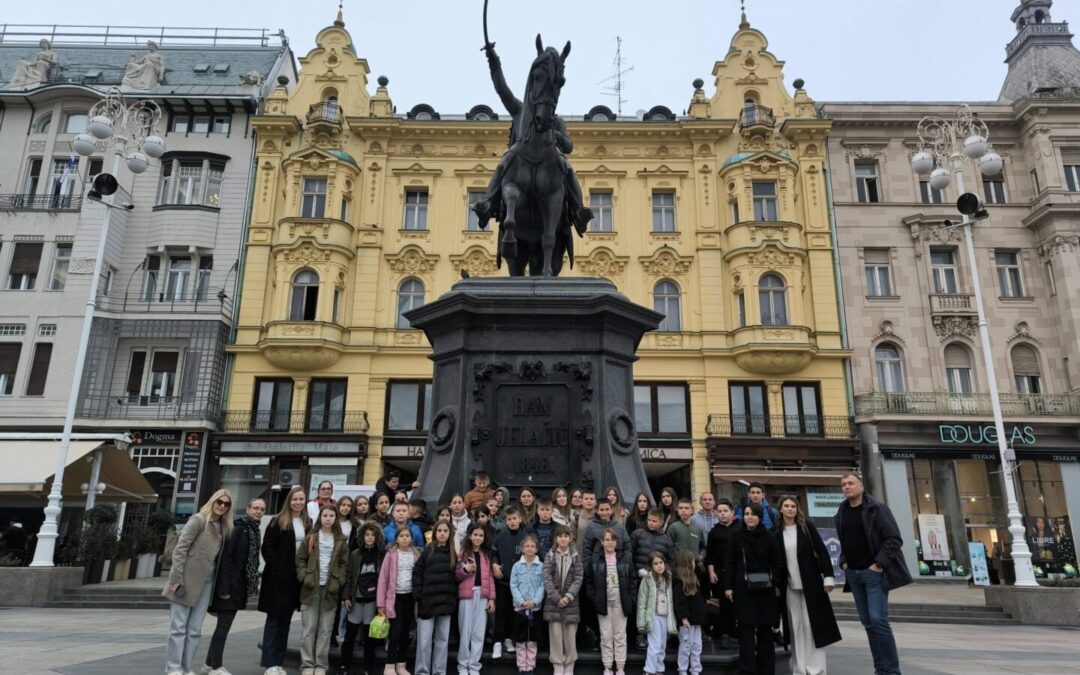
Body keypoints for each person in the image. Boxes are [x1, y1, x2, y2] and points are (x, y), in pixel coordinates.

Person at [835, 473, 910, 675]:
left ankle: (891, 671)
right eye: (843, 485)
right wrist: (844, 563)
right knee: (868, 623)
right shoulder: (842, 512)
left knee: (878, 620)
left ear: (861, 487)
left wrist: (879, 564)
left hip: (873, 574)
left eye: (851, 483)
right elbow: (845, 541)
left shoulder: (877, 509)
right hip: (854, 574)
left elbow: (894, 539)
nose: (847, 487)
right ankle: (881, 670)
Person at [163, 489, 233, 675]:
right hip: (186, 579)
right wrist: (176, 579)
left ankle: (187, 669)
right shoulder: (199, 519)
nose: (222, 506)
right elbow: (180, 549)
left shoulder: (225, 526)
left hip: (207, 582)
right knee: (178, 628)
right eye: (219, 502)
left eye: (226, 504)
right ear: (212, 501)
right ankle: (173, 669)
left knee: (194, 630)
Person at [777, 496, 841, 675]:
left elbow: (822, 551)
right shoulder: (776, 532)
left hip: (811, 585)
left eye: (793, 506)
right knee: (795, 627)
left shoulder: (807, 527)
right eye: (786, 506)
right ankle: (799, 668)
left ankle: (816, 669)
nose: (790, 508)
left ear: (797, 509)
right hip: (789, 587)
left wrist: (828, 577)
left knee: (811, 626)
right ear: (780, 509)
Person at [204, 497, 264, 675]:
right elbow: (226, 559)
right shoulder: (238, 527)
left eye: (262, 509)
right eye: (255, 508)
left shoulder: (253, 530)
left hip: (239, 586)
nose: (258, 511)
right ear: (248, 509)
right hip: (229, 586)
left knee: (223, 626)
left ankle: (208, 665)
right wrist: (224, 589)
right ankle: (216, 667)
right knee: (223, 627)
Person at [725, 502, 783, 675]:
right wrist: (728, 587)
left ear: (760, 517)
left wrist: (774, 581)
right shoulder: (736, 536)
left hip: (766, 590)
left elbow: (777, 562)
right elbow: (730, 562)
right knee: (745, 632)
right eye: (747, 514)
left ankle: (766, 670)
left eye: (753, 514)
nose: (749, 517)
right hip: (743, 589)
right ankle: (747, 669)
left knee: (765, 631)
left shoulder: (769, 537)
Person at [259, 486, 311, 675]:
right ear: (289, 501)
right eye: (295, 499)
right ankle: (269, 663)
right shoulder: (278, 521)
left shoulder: (308, 522)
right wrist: (277, 568)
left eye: (301, 499)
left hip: (295, 580)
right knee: (274, 621)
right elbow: (267, 548)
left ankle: (278, 662)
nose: (298, 502)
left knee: (285, 623)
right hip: (277, 579)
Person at [297, 504, 349, 675]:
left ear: (335, 518)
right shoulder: (311, 537)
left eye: (331, 516)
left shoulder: (341, 540)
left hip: (330, 590)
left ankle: (321, 665)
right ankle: (307, 665)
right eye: (325, 515)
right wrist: (305, 576)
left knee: (325, 630)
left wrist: (339, 580)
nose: (328, 519)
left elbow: (344, 564)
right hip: (311, 588)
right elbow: (300, 559)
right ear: (320, 517)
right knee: (308, 629)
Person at [585, 528, 634, 675]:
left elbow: (633, 580)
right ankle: (607, 667)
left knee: (620, 635)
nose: (610, 542)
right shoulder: (595, 559)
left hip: (620, 602)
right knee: (606, 635)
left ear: (616, 542)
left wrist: (630, 598)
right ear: (602, 542)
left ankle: (620, 667)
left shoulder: (625, 558)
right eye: (607, 539)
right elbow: (589, 581)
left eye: (612, 539)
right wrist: (594, 598)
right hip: (603, 603)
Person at [414, 520, 458, 675]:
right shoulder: (427, 551)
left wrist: (452, 598)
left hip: (445, 603)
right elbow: (417, 573)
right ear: (434, 533)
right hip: (427, 602)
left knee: (442, 641)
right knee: (424, 642)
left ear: (450, 534)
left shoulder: (453, 554)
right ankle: (422, 672)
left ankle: (439, 672)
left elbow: (455, 578)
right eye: (439, 531)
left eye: (445, 531)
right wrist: (418, 595)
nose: (442, 534)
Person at [342, 523, 384, 675]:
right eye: (367, 535)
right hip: (356, 599)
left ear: (377, 537)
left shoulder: (381, 555)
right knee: (350, 635)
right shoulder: (355, 554)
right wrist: (346, 596)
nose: (370, 538)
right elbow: (349, 576)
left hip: (372, 601)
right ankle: (344, 665)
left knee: (369, 637)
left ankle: (368, 668)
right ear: (362, 537)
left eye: (373, 535)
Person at [377, 527, 421, 675]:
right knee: (395, 632)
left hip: (410, 597)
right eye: (401, 536)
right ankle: (389, 666)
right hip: (394, 598)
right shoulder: (391, 555)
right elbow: (383, 579)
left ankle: (401, 665)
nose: (404, 538)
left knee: (405, 633)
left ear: (411, 538)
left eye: (407, 535)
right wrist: (381, 603)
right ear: (396, 539)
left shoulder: (416, 554)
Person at [492, 506, 532, 659]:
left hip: (520, 584)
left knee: (514, 613)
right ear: (506, 521)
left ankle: (509, 639)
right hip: (503, 582)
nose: (512, 521)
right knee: (501, 611)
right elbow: (493, 553)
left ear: (520, 519)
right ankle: (497, 642)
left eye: (515, 518)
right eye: (509, 519)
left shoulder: (526, 537)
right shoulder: (500, 537)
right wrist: (494, 563)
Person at [457, 523, 496, 675]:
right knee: (465, 632)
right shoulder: (463, 553)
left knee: (478, 633)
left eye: (481, 535)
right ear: (470, 536)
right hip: (467, 595)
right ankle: (462, 666)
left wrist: (491, 598)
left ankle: (474, 666)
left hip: (483, 596)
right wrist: (465, 570)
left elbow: (490, 577)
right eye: (475, 535)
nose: (478, 538)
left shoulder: (486, 555)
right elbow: (456, 575)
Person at [543, 525, 582, 675]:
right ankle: (558, 665)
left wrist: (568, 597)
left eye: (566, 536)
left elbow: (578, 578)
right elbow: (547, 578)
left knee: (570, 636)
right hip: (553, 603)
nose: (563, 539)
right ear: (556, 539)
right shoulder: (550, 555)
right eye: (560, 536)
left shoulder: (576, 556)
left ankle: (570, 664)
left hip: (571, 603)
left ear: (570, 538)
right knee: (556, 636)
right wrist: (556, 597)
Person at [636, 551, 676, 675]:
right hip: (653, 616)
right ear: (651, 566)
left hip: (665, 616)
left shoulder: (668, 578)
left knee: (662, 645)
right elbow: (642, 602)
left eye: (661, 562)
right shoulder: (647, 580)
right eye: (655, 563)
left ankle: (659, 669)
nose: (659, 566)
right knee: (655, 644)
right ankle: (649, 670)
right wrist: (641, 621)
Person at [510, 534, 545, 675]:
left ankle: (530, 666)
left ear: (536, 549)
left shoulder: (541, 566)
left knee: (532, 639)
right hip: (520, 609)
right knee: (520, 638)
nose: (529, 549)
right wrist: (521, 601)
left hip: (534, 609)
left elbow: (543, 586)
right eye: (527, 546)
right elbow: (513, 585)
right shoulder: (517, 566)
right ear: (522, 549)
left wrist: (535, 601)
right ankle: (521, 666)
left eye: (532, 546)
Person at [705, 498, 737, 648]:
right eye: (720, 511)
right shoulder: (714, 532)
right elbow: (710, 554)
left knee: (739, 602)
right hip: (721, 572)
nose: (722, 514)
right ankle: (725, 634)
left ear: (732, 512)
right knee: (724, 603)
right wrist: (711, 572)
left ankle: (738, 631)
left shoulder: (740, 528)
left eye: (725, 511)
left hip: (738, 571)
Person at [673, 550, 706, 675]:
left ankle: (695, 669)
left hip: (696, 621)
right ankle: (682, 670)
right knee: (686, 646)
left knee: (697, 645)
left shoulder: (694, 578)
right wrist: (683, 618)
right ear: (687, 563)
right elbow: (679, 602)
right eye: (692, 561)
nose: (694, 564)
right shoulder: (679, 582)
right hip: (686, 622)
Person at [573, 491, 597, 555]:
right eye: (586, 499)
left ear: (595, 502)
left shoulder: (599, 518)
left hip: (596, 556)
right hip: (580, 556)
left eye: (591, 499)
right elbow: (572, 539)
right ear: (582, 502)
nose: (589, 501)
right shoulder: (576, 518)